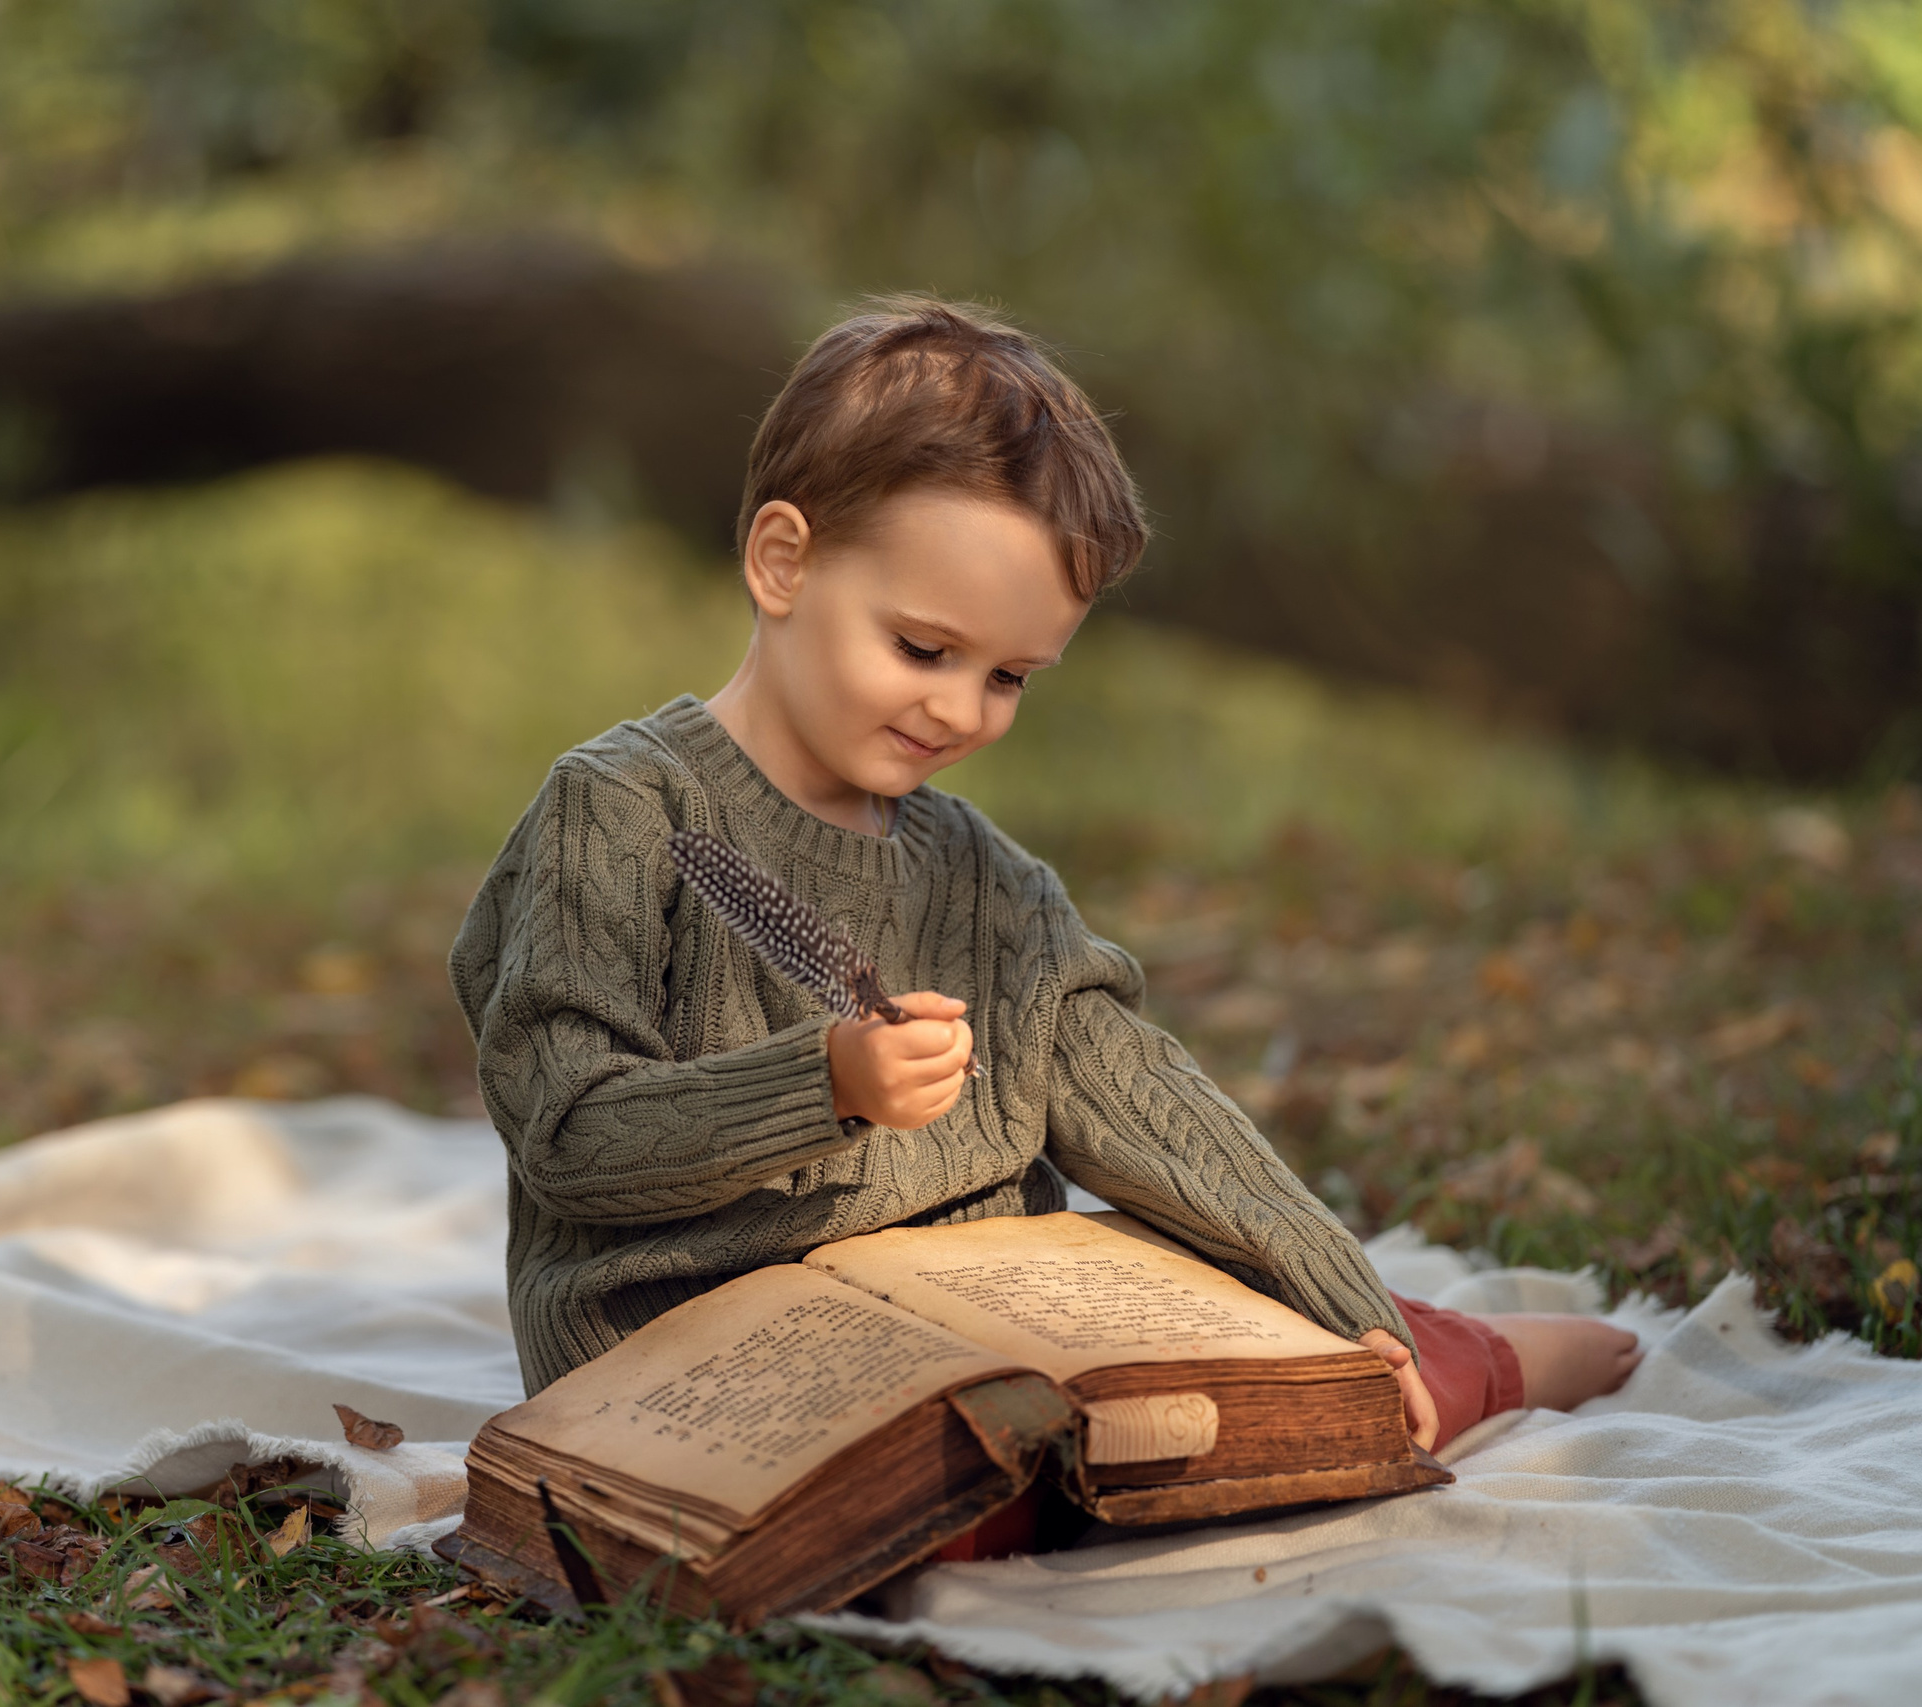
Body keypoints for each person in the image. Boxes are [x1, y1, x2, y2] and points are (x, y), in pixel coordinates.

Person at [448, 296, 1639, 1456]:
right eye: (923, 648)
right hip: (680, 1341)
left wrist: (1343, 1298)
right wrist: (824, 1081)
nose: (960, 708)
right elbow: (569, 1133)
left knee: (1192, 1377)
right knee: (939, 1483)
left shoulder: (986, 883)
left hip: (977, 1323)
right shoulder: (618, 809)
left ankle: (1434, 1351)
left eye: (1011, 677)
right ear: (781, 561)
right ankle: (1433, 1360)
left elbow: (1151, 1114)